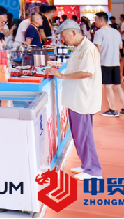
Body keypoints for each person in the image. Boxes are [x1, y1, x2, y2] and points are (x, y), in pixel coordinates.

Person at [48, 20, 102, 180]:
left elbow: (87, 72)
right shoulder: (79, 47)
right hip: (76, 98)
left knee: (84, 136)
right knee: (78, 135)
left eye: (64, 36)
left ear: (73, 32)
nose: (63, 40)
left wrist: (62, 75)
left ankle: (94, 170)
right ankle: (86, 164)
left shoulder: (88, 49)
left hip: (83, 99)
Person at [92, 12, 124, 117]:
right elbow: (120, 47)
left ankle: (113, 109)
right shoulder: (116, 32)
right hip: (116, 62)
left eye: (96, 20)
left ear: (102, 21)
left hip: (105, 63)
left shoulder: (99, 33)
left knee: (108, 86)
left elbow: (98, 49)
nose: (95, 22)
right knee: (118, 86)